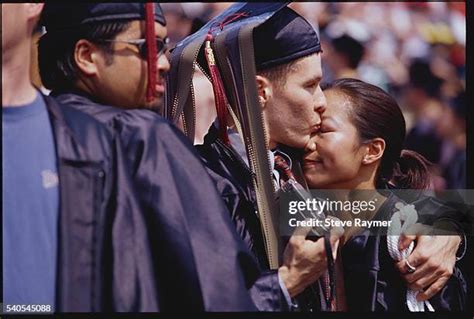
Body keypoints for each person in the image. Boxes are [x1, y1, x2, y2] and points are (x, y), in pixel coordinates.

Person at [17, 3, 260, 311]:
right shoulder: (142, 137)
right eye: (149, 47)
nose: (164, 64)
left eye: (166, 48)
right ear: (86, 56)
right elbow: (214, 293)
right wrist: (283, 285)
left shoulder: (29, 134)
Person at [194, 6, 343, 311]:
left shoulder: (299, 164)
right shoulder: (205, 182)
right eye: (310, 86)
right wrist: (287, 283)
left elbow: (377, 197)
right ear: (260, 90)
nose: (322, 103)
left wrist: (442, 232)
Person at [302, 78, 467, 311]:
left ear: (372, 150)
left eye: (323, 131)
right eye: (309, 130)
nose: (308, 143)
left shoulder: (410, 245)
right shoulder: (300, 220)